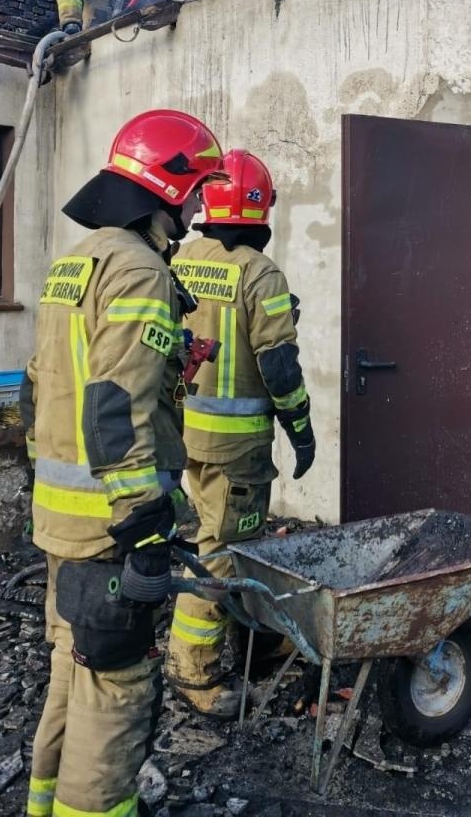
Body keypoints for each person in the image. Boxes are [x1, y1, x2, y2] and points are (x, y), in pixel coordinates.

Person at [21, 110, 224, 817]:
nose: (201, 208)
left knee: (71, 674)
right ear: (165, 185)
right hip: (111, 534)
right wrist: (143, 531)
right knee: (116, 690)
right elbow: (115, 410)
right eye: (196, 189)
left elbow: (41, 385)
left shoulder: (77, 262)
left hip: (62, 522)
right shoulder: (140, 272)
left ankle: (43, 805)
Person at [166, 149, 314, 718]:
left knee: (221, 535)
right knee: (223, 551)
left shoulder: (180, 260)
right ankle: (193, 670)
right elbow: (279, 366)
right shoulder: (260, 272)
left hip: (189, 436)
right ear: (262, 211)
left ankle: (258, 638)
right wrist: (301, 431)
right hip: (237, 450)